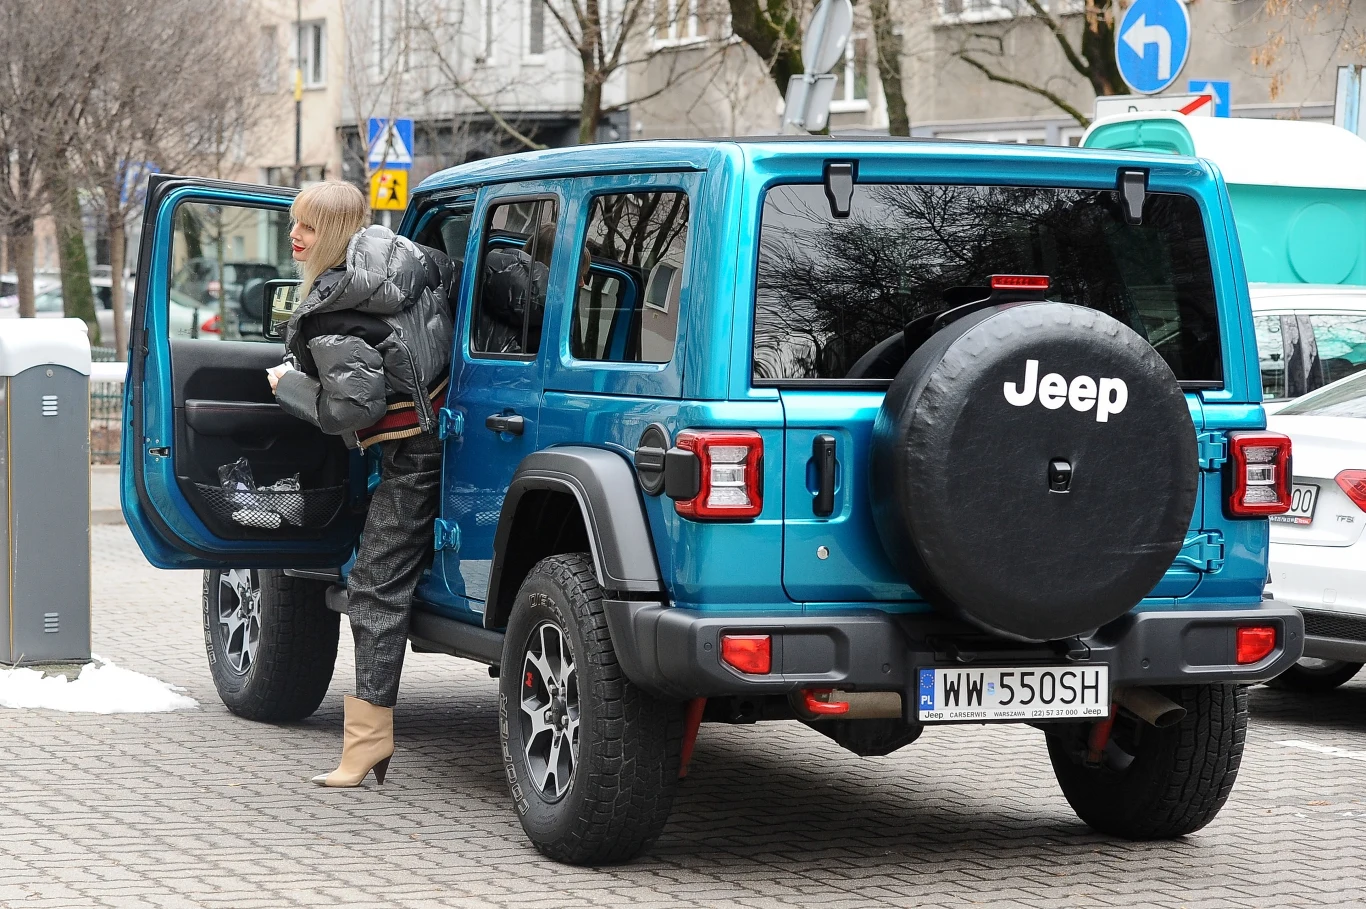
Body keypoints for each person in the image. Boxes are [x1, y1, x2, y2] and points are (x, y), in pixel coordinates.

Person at [266, 181, 456, 788]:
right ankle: (367, 743)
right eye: (295, 224)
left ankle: (367, 746)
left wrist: (287, 386)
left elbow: (352, 410)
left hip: (409, 455)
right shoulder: (409, 258)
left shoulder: (335, 310)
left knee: (373, 589)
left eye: (309, 228)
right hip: (448, 426)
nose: (295, 237)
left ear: (338, 233)